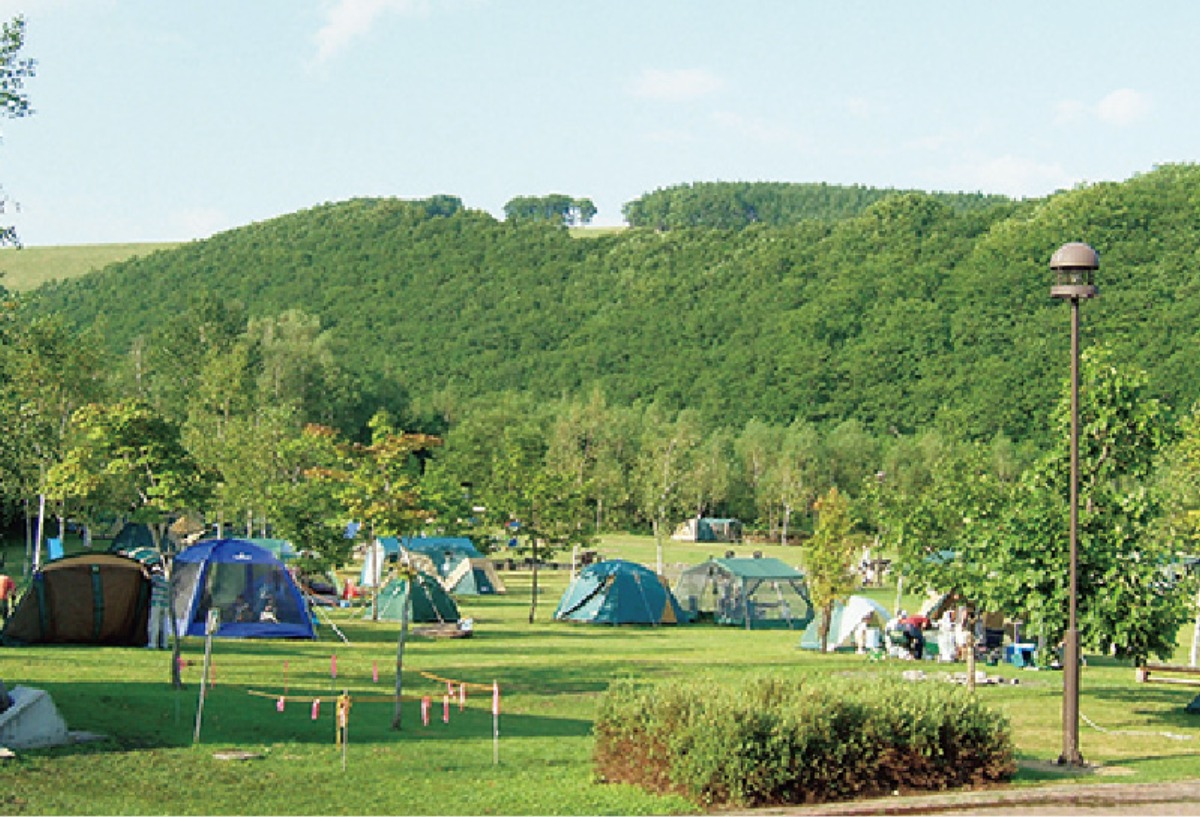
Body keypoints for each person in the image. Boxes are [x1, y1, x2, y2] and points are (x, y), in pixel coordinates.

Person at [146, 565, 172, 649]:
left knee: (154, 624)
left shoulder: (156, 578)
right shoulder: (166, 581)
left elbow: (147, 577)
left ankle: (153, 644)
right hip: (165, 605)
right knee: (164, 625)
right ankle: (164, 644)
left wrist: (142, 568)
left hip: (156, 604)